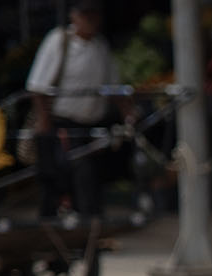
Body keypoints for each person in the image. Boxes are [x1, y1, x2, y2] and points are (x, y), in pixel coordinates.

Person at [25, 0, 135, 218]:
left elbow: (113, 88)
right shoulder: (59, 41)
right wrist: (44, 121)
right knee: (64, 179)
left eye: (95, 15)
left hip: (92, 126)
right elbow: (37, 88)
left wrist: (128, 114)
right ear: (74, 17)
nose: (91, 20)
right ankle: (58, 232)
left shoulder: (100, 46)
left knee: (91, 180)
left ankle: (90, 230)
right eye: (86, 15)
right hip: (62, 125)